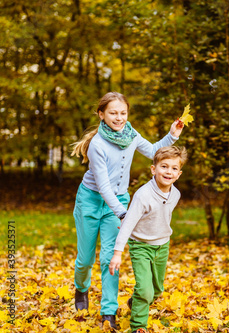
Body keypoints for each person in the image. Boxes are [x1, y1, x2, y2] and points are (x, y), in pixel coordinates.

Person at [71, 92, 184, 329]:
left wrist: (172, 135)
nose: (119, 117)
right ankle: (81, 289)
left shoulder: (131, 135)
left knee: (108, 259)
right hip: (91, 201)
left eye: (123, 112)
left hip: (119, 200)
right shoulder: (97, 145)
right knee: (85, 259)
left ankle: (108, 311)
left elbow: (154, 150)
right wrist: (124, 213)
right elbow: (102, 186)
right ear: (101, 115)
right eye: (113, 112)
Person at [109, 146, 188, 333]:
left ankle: (134, 302)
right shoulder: (143, 195)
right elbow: (127, 224)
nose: (169, 171)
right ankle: (138, 326)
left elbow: (160, 217)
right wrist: (117, 253)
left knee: (157, 290)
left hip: (162, 245)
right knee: (145, 290)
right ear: (154, 169)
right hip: (141, 246)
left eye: (174, 168)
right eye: (164, 166)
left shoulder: (175, 194)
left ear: (179, 173)